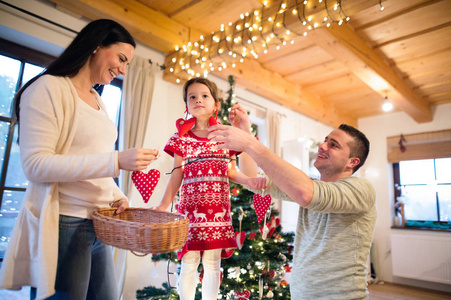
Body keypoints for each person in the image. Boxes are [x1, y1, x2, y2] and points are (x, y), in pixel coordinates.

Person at [0, 19, 159, 300]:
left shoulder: (98, 100)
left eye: (127, 64)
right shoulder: (48, 88)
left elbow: (91, 163)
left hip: (99, 222)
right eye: (121, 58)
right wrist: (117, 161)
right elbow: (36, 165)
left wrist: (117, 194)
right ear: (97, 46)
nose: (123, 69)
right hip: (66, 223)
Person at [208, 119, 376, 299]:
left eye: (333, 145)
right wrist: (246, 132)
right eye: (325, 140)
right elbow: (254, 180)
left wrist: (250, 143)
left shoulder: (361, 188)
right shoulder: (310, 187)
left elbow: (306, 193)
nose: (322, 146)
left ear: (352, 162)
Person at [154, 78, 266, 300]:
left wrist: (249, 182)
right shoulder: (181, 138)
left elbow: (232, 172)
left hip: (218, 212)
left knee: (213, 264)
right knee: (188, 262)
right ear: (187, 105)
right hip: (189, 212)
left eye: (204, 95)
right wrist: (164, 205)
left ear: (216, 104)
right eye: (192, 97)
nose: (198, 100)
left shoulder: (225, 137)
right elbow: (177, 173)